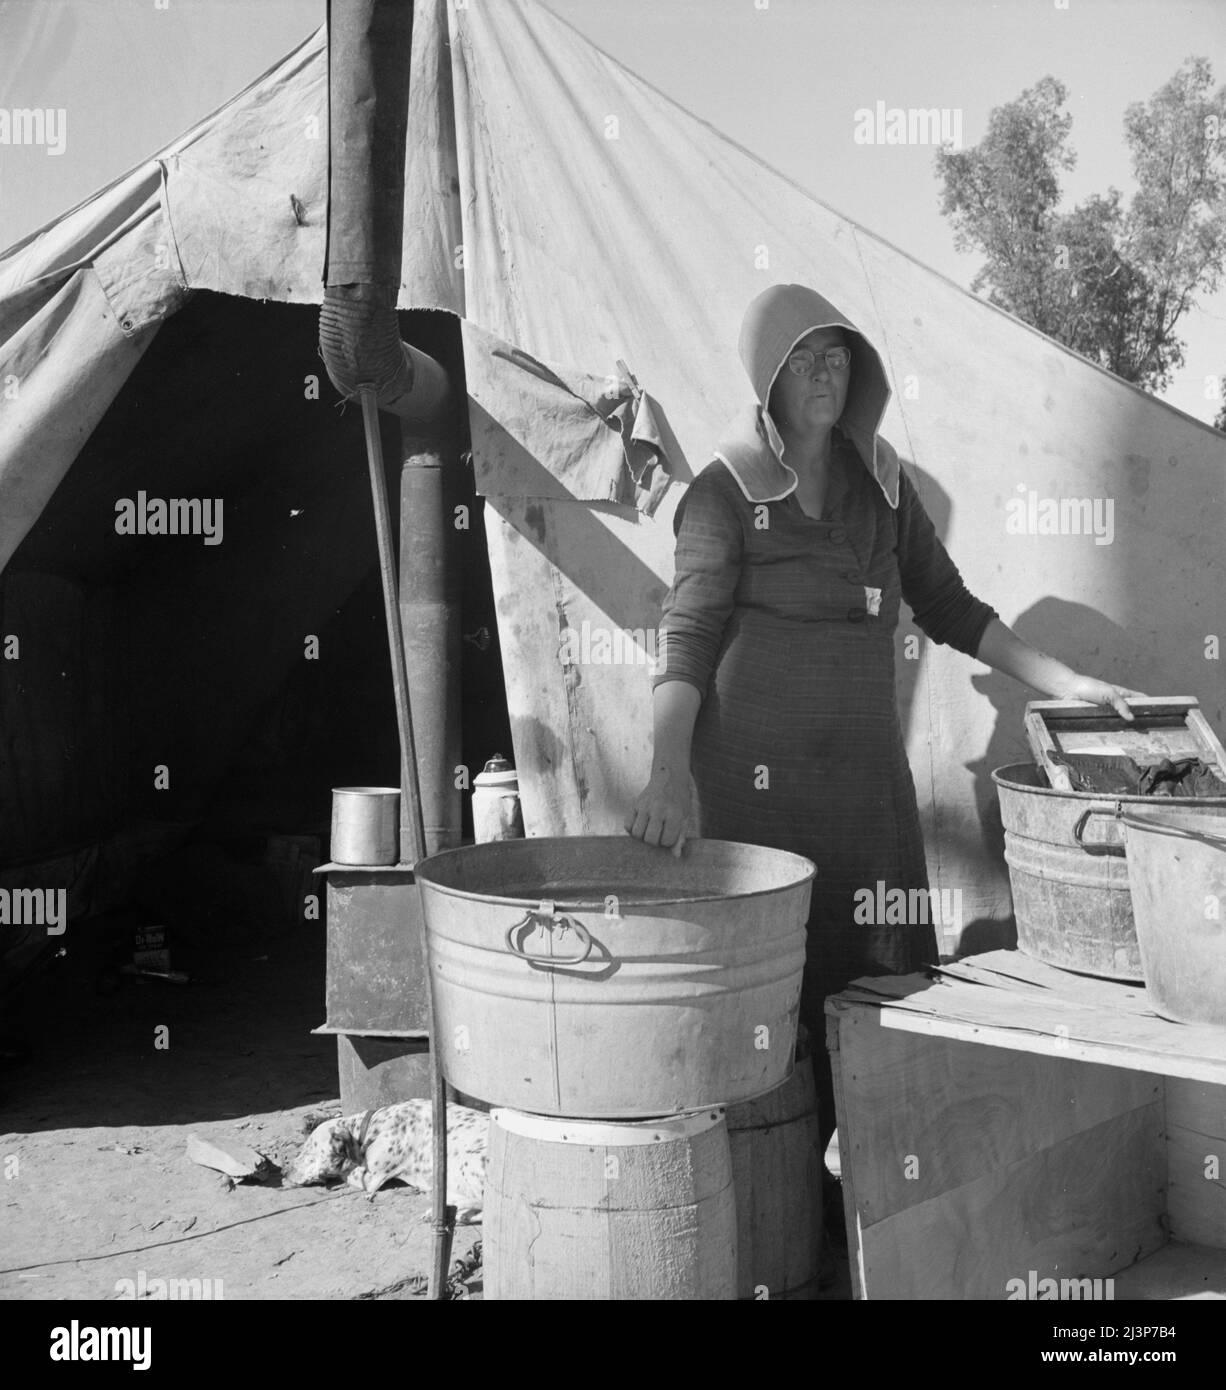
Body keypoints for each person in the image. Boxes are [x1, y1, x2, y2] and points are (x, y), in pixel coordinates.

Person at [625, 282, 1142, 1240]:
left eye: (839, 359)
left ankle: (885, 1232)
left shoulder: (885, 488)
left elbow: (951, 607)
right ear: (767, 383)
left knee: (879, 1004)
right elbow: (685, 638)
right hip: (755, 810)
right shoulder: (724, 491)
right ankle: (779, 1231)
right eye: (804, 361)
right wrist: (668, 771)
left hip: (867, 804)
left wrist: (1064, 685)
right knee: (768, 1016)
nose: (825, 376)